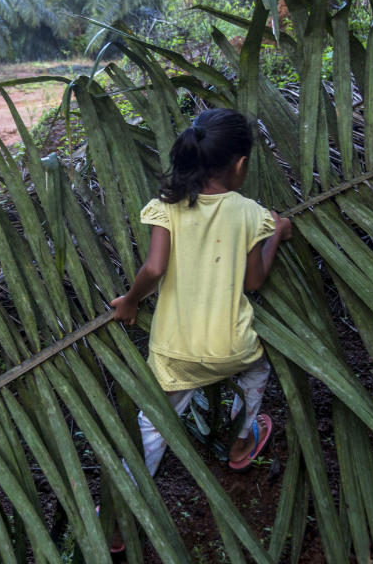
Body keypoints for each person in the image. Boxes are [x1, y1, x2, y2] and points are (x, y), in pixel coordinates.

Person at [110, 108, 293, 476]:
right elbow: (253, 282)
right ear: (240, 164)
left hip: (174, 355)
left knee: (153, 423)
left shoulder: (166, 207)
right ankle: (242, 443)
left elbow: (155, 268)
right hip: (232, 348)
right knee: (258, 370)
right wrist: (277, 233)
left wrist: (130, 301)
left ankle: (125, 509)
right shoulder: (251, 213)